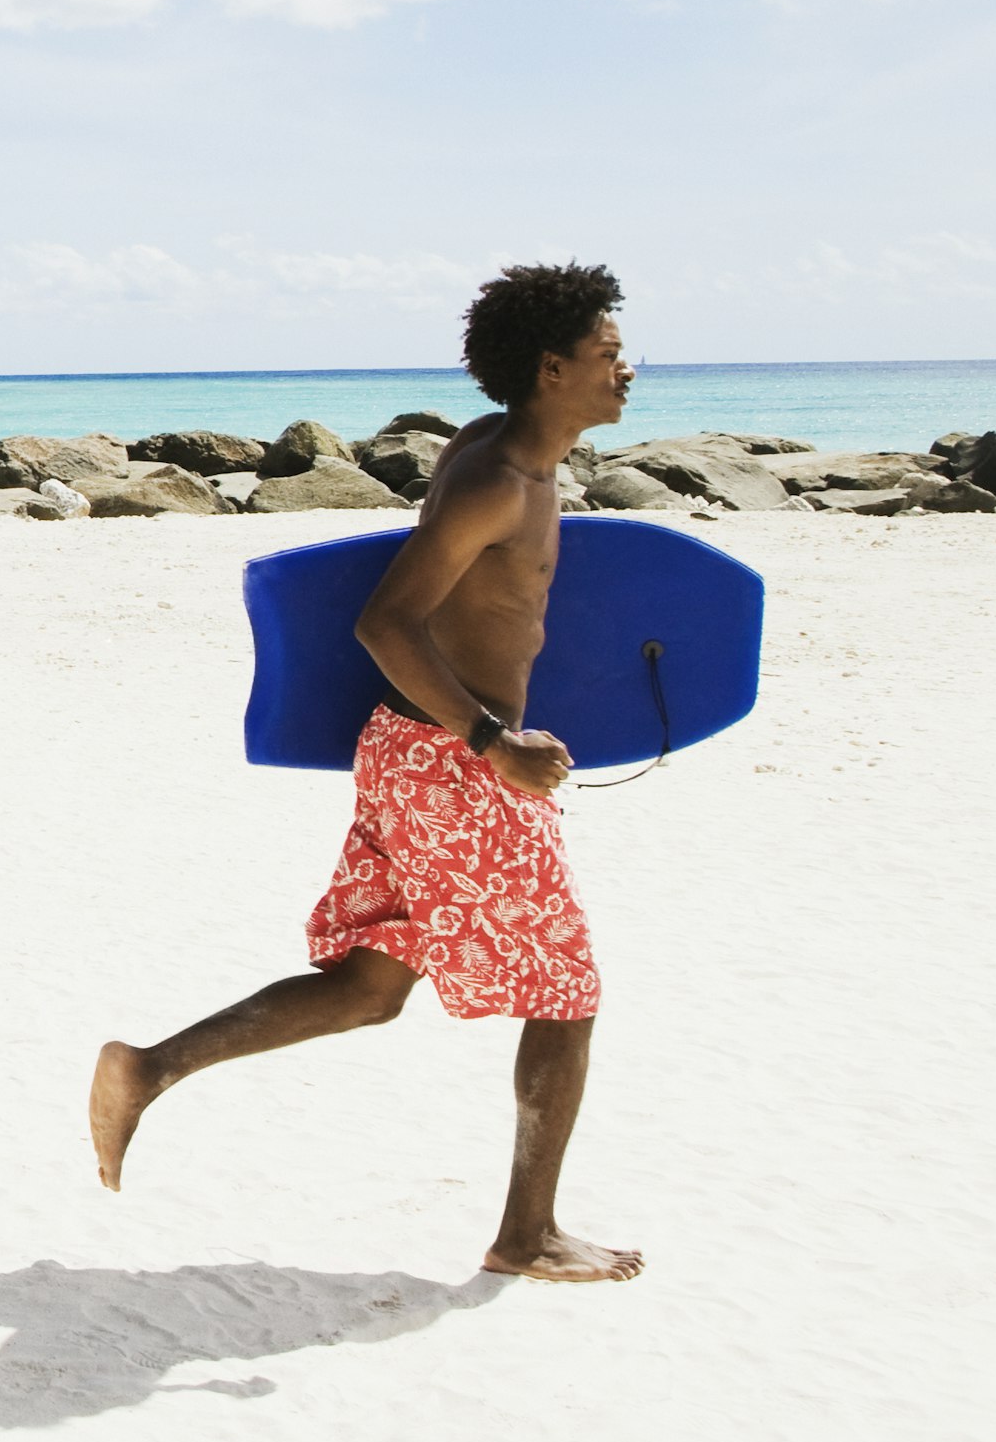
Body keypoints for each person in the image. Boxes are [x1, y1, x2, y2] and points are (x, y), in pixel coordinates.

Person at [88, 262, 644, 1285]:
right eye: (611, 356)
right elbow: (383, 620)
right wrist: (495, 744)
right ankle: (526, 1233)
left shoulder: (515, 448)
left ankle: (145, 1069)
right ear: (554, 367)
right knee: (564, 990)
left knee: (371, 984)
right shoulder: (497, 481)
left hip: (415, 752)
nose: (629, 370)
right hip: (451, 764)